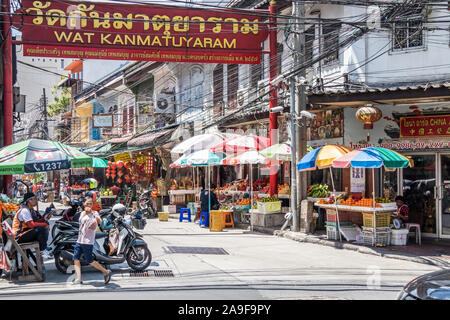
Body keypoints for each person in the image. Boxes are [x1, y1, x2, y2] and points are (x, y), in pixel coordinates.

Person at [72, 197, 112, 285]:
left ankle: (105, 272)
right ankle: (79, 278)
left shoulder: (95, 213)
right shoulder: (82, 213)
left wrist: (92, 214)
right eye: (87, 203)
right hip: (80, 240)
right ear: (84, 204)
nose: (89, 205)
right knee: (75, 258)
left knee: (89, 260)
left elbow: (100, 221)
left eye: (90, 204)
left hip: (88, 241)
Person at [11, 192, 52, 258]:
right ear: (29, 201)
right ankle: (42, 249)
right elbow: (31, 225)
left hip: (24, 233)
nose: (36, 201)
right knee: (41, 228)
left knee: (42, 227)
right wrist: (44, 224)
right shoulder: (25, 211)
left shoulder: (29, 210)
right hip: (19, 236)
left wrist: (44, 220)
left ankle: (43, 247)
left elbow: (34, 222)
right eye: (35, 199)